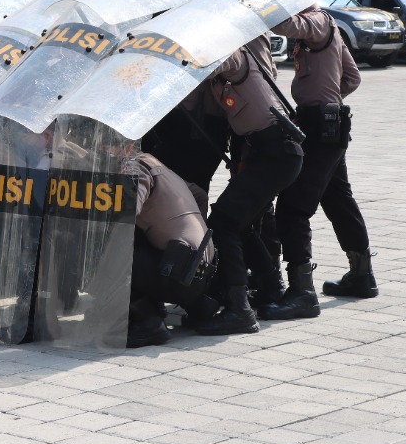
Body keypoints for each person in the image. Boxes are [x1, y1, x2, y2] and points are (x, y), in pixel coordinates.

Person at [259, 6, 373, 320]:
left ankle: (302, 293)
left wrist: (258, 9)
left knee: (292, 208)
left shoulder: (318, 21)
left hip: (321, 126)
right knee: (338, 200)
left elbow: (287, 25)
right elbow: (352, 77)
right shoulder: (328, 28)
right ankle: (362, 275)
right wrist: (329, 101)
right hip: (327, 123)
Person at [192, 34, 303, 335]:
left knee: (223, 222)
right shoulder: (231, 69)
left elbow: (208, 65)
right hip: (265, 151)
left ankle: (239, 309)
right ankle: (270, 287)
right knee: (242, 224)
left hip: (277, 152)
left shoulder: (236, 55)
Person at [127, 153, 220, 347]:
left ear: (127, 147)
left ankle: (148, 323)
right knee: (142, 236)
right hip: (200, 271)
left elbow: (127, 211)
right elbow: (200, 196)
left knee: (110, 247)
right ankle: (196, 304)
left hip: (178, 277)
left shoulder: (136, 168)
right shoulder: (156, 165)